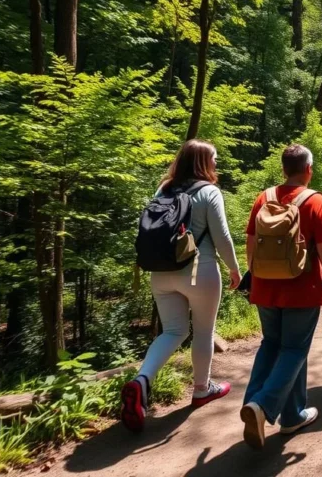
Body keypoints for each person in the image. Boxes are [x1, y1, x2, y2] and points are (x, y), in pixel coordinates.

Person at [122, 140, 242, 432]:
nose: (216, 164)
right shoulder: (209, 191)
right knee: (203, 331)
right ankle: (202, 389)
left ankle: (142, 381)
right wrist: (235, 269)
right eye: (213, 159)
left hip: (161, 272)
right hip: (200, 272)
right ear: (201, 162)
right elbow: (223, 238)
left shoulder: (163, 189)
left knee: (173, 331)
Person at [239, 144, 322, 449]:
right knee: (294, 349)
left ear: (283, 169)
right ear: (308, 169)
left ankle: (291, 414)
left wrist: (255, 275)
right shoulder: (315, 201)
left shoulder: (263, 198)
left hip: (265, 287)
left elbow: (251, 243)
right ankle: (262, 404)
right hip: (301, 288)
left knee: (272, 344)